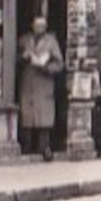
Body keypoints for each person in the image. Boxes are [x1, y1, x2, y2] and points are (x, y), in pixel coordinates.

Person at [19, 13, 63, 161]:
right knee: (27, 116)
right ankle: (26, 147)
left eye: (42, 26)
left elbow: (59, 64)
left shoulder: (51, 42)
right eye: (37, 25)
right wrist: (23, 57)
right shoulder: (25, 40)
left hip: (44, 83)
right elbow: (13, 57)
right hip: (28, 83)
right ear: (32, 25)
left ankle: (44, 148)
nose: (39, 28)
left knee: (44, 118)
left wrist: (46, 67)